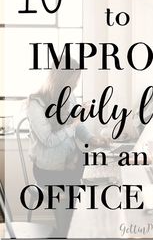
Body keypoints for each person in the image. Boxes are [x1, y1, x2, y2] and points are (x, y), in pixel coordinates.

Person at [27, 57, 108, 238]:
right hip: (49, 171)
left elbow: (77, 125)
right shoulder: (36, 103)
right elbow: (48, 140)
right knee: (85, 197)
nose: (76, 85)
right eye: (73, 80)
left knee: (103, 179)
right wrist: (73, 124)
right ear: (61, 79)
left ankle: (86, 230)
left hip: (70, 162)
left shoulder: (68, 96)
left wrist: (93, 139)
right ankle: (70, 232)